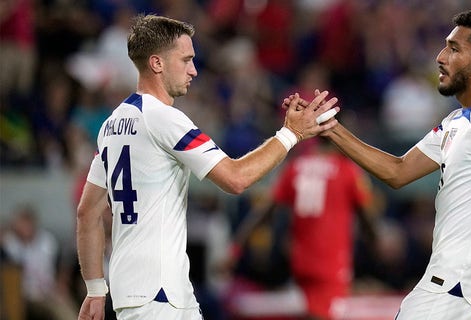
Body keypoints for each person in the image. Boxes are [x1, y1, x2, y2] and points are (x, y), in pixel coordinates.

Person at [75, 14, 339, 320]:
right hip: (156, 293)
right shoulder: (164, 119)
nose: (194, 70)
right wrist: (290, 134)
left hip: (155, 290)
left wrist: (95, 289)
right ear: (157, 64)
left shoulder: (111, 125)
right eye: (186, 60)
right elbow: (236, 178)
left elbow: (87, 212)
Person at [296, 10, 471, 320]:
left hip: (458, 288)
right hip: (455, 285)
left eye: (454, 48)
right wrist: (330, 128)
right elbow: (397, 171)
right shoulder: (456, 121)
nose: (440, 57)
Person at [230, 138, 379, 320]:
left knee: (312, 312)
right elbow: (367, 218)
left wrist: (237, 248)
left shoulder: (295, 167)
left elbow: (265, 212)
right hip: (331, 262)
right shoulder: (348, 169)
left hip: (300, 260)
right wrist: (376, 246)